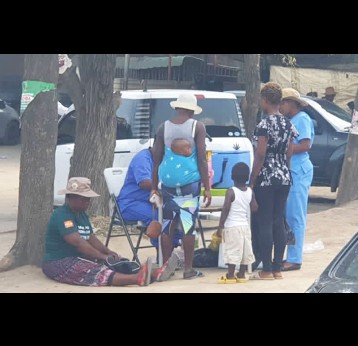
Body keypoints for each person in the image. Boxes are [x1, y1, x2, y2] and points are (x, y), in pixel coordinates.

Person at [42, 177, 174, 287]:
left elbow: (91, 238)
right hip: (59, 262)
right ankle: (137, 279)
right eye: (84, 199)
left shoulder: (82, 215)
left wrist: (108, 252)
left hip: (80, 257)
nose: (88, 202)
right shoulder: (61, 215)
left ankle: (152, 273)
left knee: (118, 262)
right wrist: (102, 256)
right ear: (71, 198)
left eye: (88, 199)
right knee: (94, 271)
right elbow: (78, 242)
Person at [151, 93, 212, 280]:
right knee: (187, 226)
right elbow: (202, 158)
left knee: (168, 225)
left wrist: (154, 186)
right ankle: (188, 269)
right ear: (192, 110)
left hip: (168, 185)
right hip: (189, 185)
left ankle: (166, 266)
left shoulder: (163, 128)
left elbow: (156, 159)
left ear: (177, 108)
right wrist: (207, 187)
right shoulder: (197, 127)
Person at [249, 82, 297, 280]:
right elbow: (289, 153)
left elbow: (260, 154)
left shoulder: (264, 125)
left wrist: (252, 181)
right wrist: (285, 170)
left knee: (265, 222)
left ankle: (266, 269)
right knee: (279, 221)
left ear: (266, 100)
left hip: (266, 177)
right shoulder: (288, 124)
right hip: (284, 176)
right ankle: (277, 268)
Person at [117, 147, 182, 250]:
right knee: (160, 217)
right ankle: (163, 254)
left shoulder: (165, 159)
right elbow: (144, 182)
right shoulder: (142, 158)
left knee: (178, 213)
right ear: (158, 143)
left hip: (151, 202)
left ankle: (172, 249)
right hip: (130, 203)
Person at [279, 88, 315, 271]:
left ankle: (294, 258)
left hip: (298, 170)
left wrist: (281, 148)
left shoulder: (302, 119)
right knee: (288, 215)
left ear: (291, 103)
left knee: (295, 216)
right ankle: (289, 255)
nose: (281, 106)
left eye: (283, 103)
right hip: (292, 170)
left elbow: (305, 144)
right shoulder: (292, 120)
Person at [216, 163, 258, 283]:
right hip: (244, 226)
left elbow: (226, 209)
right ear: (247, 177)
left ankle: (230, 275)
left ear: (232, 177)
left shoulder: (231, 191)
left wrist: (220, 227)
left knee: (233, 250)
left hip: (232, 226)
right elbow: (255, 208)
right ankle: (241, 274)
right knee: (245, 250)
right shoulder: (250, 191)